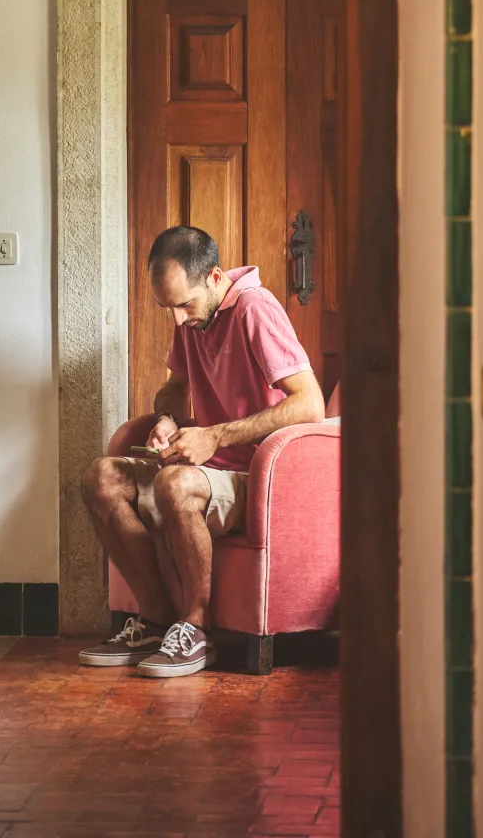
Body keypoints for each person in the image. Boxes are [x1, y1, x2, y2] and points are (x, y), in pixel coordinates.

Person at [79, 226, 325, 679]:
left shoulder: (255, 309)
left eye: (184, 304)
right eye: (167, 308)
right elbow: (175, 388)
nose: (177, 319)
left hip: (260, 474)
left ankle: (196, 629)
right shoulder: (194, 320)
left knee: (176, 483)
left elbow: (310, 403)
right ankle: (156, 623)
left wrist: (215, 436)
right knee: (102, 477)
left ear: (214, 278)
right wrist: (167, 421)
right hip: (207, 468)